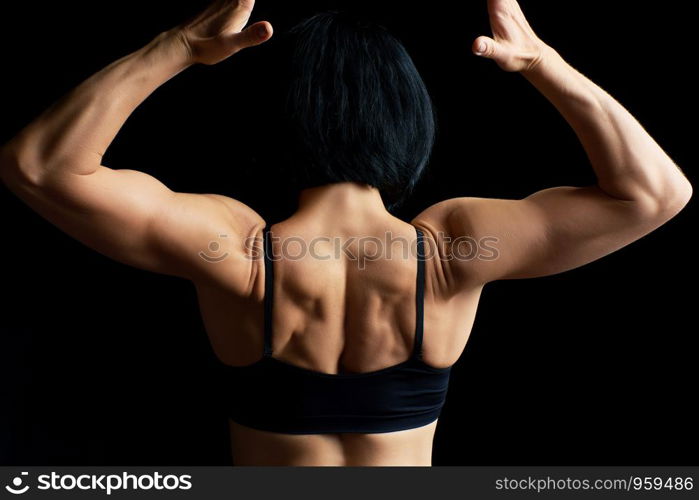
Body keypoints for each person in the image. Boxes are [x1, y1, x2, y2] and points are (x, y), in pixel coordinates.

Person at [0, 0, 691, 466]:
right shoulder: (449, 250)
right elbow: (654, 193)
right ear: (409, 122)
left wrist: (174, 48)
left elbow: (40, 167)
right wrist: (544, 64)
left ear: (274, 124)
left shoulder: (240, 252)